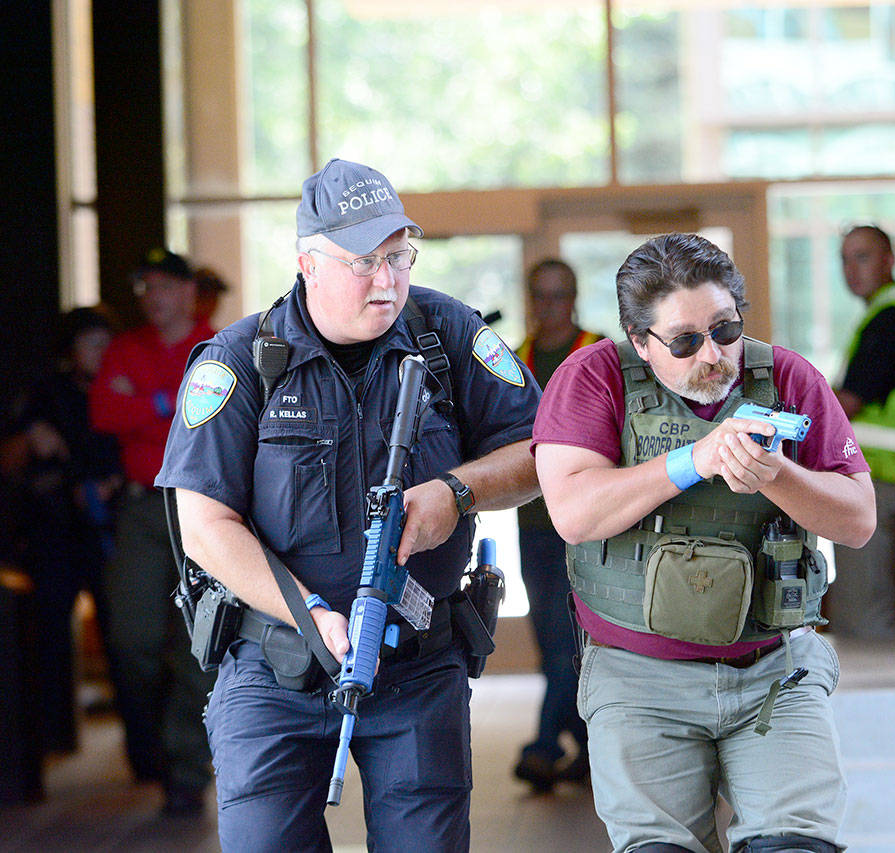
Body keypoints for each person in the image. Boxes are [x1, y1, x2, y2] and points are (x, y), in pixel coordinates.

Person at [156, 158, 541, 850]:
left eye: (399, 256)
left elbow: (542, 453)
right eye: (364, 260)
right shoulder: (242, 359)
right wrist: (313, 612)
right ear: (308, 261)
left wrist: (459, 491)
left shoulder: (447, 336)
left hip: (417, 668)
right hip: (272, 669)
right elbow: (203, 525)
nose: (388, 279)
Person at [533, 232, 875, 853]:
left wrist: (778, 474)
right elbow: (575, 513)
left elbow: (857, 521)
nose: (713, 355)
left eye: (725, 330)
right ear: (640, 341)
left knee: (796, 846)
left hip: (773, 669)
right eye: (685, 341)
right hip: (639, 681)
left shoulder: (787, 375)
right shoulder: (594, 376)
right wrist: (693, 461)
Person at [88, 248, 216, 815]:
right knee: (132, 640)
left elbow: (214, 415)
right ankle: (157, 744)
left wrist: (142, 404)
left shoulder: (219, 344)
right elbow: (102, 414)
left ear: (190, 292)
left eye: (165, 286)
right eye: (146, 288)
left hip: (200, 505)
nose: (153, 297)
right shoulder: (125, 347)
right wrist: (167, 401)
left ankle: (185, 769)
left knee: (196, 645)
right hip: (142, 509)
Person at [510, 258, 603, 791]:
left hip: (588, 523)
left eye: (559, 295)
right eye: (540, 296)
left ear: (573, 297)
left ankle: (544, 746)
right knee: (552, 642)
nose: (550, 307)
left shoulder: (596, 351)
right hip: (534, 524)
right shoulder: (516, 359)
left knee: (569, 638)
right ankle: (588, 745)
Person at [17, 307, 122, 754]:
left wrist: (112, 482)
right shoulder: (47, 392)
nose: (101, 352)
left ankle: (145, 752)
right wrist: (33, 437)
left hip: (109, 526)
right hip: (56, 530)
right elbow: (18, 451)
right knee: (51, 635)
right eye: (91, 343)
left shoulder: (119, 388)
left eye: (106, 342)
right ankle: (53, 737)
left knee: (123, 637)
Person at [826, 225, 895, 640]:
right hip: (880, 478)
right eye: (844, 258)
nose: (851, 269)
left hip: (881, 479)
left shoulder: (892, 317)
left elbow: (847, 401)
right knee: (861, 601)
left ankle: (882, 699)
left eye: (863, 256)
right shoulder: (885, 312)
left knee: (864, 608)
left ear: (889, 261)